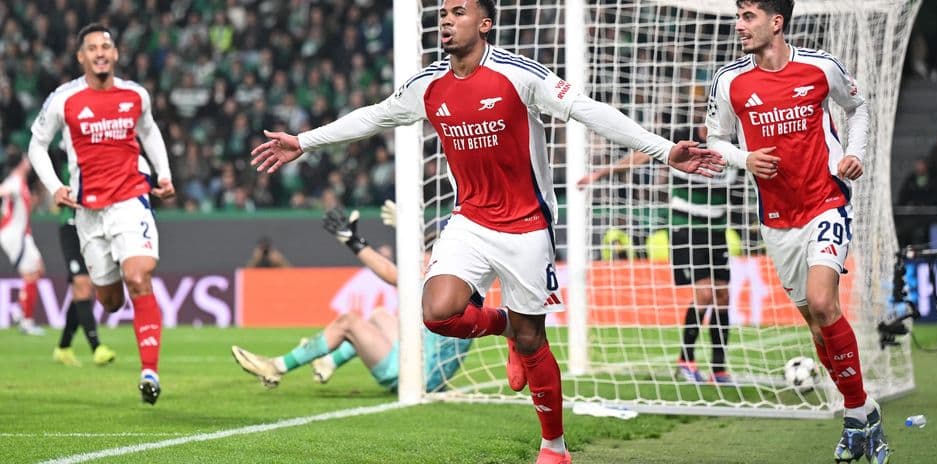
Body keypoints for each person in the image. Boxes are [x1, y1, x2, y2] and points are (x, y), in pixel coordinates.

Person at [249, 2, 722, 462]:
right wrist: (304, 142)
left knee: (534, 339)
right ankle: (505, 327)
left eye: (459, 12)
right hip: (469, 221)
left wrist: (662, 150)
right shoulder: (427, 85)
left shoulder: (519, 75)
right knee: (437, 313)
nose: (447, 21)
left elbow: (587, 110)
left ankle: (553, 447)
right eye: (442, 14)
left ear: (486, 23)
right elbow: (373, 116)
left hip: (527, 226)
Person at [705, 1, 888, 462]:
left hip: (825, 201)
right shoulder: (730, 81)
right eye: (739, 16)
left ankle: (851, 417)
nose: (739, 25)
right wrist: (744, 159)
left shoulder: (821, 67)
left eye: (748, 17)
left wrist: (856, 153)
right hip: (777, 221)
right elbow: (715, 140)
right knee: (816, 323)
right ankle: (866, 411)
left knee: (826, 303)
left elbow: (859, 107)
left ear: (776, 22)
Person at [28, 23, 175, 405]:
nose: (100, 53)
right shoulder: (64, 99)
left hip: (130, 198)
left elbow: (151, 131)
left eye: (106, 47)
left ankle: (149, 373)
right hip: (88, 212)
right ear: (81, 57)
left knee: (138, 275)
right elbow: (37, 146)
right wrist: (55, 187)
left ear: (115, 54)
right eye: (92, 48)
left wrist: (164, 174)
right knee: (110, 301)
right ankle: (115, 303)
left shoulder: (134, 94)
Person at [232, 208, 475, 393]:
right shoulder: (458, 283)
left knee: (349, 321)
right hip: (431, 370)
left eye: (428, 248)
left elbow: (391, 273)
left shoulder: (440, 282)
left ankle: (276, 367)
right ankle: (328, 360)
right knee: (380, 315)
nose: (422, 254)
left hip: (415, 374)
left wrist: (353, 240)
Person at [578, 148, 739, 384]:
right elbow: (643, 155)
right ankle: (686, 361)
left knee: (723, 296)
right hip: (686, 227)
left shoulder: (730, 144)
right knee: (705, 294)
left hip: (717, 228)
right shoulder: (683, 138)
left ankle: (719, 369)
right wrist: (602, 173)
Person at [53, 160, 117, 367]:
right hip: (72, 227)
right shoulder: (71, 164)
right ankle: (96, 347)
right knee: (82, 284)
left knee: (84, 290)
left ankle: (63, 347)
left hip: (91, 227)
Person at [0, 155, 45, 336]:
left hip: (24, 234)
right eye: (25, 160)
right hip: (14, 234)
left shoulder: (22, 183)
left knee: (38, 269)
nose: (28, 162)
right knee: (30, 274)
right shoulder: (14, 181)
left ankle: (21, 310)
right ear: (20, 163)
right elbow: (4, 191)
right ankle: (26, 321)